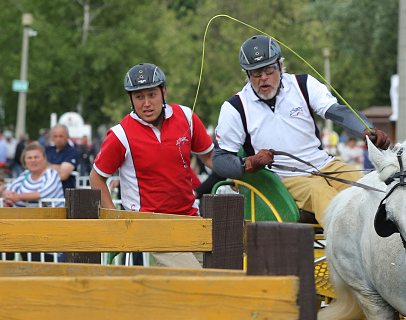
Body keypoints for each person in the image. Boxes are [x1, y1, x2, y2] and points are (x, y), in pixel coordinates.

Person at [211, 35, 390, 226]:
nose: (263, 77)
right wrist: (249, 162)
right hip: (283, 178)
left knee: (370, 187)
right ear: (247, 74)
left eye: (269, 69)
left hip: (325, 165)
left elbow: (337, 112)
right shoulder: (235, 107)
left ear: (280, 66)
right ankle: (347, 249)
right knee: (320, 192)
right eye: (256, 72)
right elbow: (220, 159)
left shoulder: (303, 84)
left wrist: (366, 130)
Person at [90, 63, 215, 269]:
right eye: (139, 97)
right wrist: (114, 218)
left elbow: (210, 157)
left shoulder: (185, 116)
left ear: (164, 92)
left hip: (190, 218)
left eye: (152, 94)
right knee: (194, 278)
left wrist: (238, 171)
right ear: (130, 99)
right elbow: (96, 178)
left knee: (220, 275)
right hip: (150, 224)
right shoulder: (120, 135)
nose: (146, 103)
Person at [0, 142, 64, 207]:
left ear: (44, 159)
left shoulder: (51, 173)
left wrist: (19, 197)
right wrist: (8, 196)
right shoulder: (25, 174)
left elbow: (45, 193)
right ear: (25, 160)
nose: (33, 160)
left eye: (36, 157)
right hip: (24, 215)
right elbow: (10, 189)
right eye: (29, 158)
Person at [45, 124, 81, 194]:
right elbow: (35, 168)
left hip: (65, 196)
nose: (58, 139)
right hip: (46, 194)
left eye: (61, 136)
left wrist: (45, 166)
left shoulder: (73, 151)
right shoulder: (47, 150)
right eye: (55, 136)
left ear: (68, 137)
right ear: (52, 138)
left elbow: (63, 175)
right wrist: (58, 167)